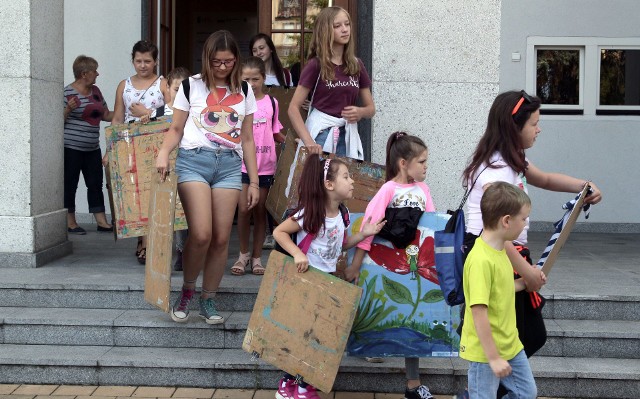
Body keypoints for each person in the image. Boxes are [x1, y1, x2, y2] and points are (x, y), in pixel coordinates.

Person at [461, 90, 602, 397]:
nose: (539, 129)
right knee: (526, 335)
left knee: (525, 336)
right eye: (534, 123)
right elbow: (488, 236)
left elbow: (547, 179)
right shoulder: (496, 170)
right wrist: (526, 272)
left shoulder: (512, 160)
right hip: (497, 262)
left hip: (509, 260)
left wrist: (584, 186)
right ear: (515, 127)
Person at [155, 30, 260, 325]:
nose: (223, 67)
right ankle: (187, 291)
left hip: (229, 165)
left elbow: (249, 139)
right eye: (217, 62)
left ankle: (208, 298)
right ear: (207, 59)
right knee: (201, 233)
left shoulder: (245, 90)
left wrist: (252, 181)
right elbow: (176, 128)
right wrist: (164, 152)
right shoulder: (192, 86)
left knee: (222, 237)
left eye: (228, 62)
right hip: (194, 162)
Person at [272, 156, 385, 399]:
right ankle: (295, 386)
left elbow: (340, 246)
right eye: (346, 176)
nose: (352, 181)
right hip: (307, 282)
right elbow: (279, 232)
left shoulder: (342, 215)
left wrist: (365, 233)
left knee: (316, 335)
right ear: (329, 185)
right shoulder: (310, 213)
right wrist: (297, 254)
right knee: (306, 335)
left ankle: (296, 385)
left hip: (328, 283)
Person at [344, 132, 436, 399]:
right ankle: (372, 349)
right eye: (422, 161)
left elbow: (430, 227)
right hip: (385, 264)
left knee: (413, 319)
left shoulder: (424, 191)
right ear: (403, 163)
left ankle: (413, 384)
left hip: (414, 265)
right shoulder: (388, 190)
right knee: (384, 311)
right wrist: (356, 265)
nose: (426, 166)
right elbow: (368, 227)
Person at [460, 182, 540, 399]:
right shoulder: (480, 260)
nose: (525, 224)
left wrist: (525, 282)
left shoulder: (501, 251)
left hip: (510, 344)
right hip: (485, 352)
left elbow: (502, 288)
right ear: (506, 221)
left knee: (527, 393)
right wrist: (493, 357)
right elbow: (478, 311)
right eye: (523, 219)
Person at [108, 40, 171, 264]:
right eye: (138, 61)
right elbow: (117, 118)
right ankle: (143, 240)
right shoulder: (123, 85)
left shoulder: (163, 84)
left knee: (154, 193)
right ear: (132, 60)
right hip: (129, 145)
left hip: (157, 145)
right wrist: (110, 150)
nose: (143, 65)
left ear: (155, 61)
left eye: (147, 61)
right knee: (137, 195)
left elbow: (174, 112)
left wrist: (148, 112)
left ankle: (151, 241)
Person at [288, 6, 375, 160]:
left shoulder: (357, 64)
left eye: (347, 24)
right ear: (326, 30)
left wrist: (360, 112)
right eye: (337, 26)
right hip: (321, 135)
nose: (344, 29)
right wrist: (308, 142)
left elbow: (371, 108)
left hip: (348, 135)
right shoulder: (316, 64)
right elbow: (293, 108)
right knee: (320, 183)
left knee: (345, 183)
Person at [231, 57, 285, 276]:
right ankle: (242, 255)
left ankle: (256, 258)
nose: (251, 83)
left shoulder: (272, 103)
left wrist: (295, 141)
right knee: (244, 210)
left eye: (256, 78)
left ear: (264, 78)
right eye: (246, 79)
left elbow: (275, 132)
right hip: (242, 165)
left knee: (261, 211)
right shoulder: (236, 102)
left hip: (266, 166)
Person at [63, 55, 114, 235]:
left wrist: (126, 113)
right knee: (70, 184)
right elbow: (56, 122)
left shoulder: (96, 91)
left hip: (92, 148)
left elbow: (106, 114)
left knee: (95, 183)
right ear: (84, 74)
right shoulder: (67, 93)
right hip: (71, 148)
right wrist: (68, 109)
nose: (98, 74)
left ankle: (102, 222)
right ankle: (71, 223)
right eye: (95, 71)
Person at [162, 66, 192, 272]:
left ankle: (182, 251)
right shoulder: (157, 112)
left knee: (184, 211)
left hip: (186, 165)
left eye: (184, 88)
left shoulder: (193, 113)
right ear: (167, 87)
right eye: (176, 88)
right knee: (166, 211)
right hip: (163, 168)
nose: (180, 92)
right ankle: (159, 250)